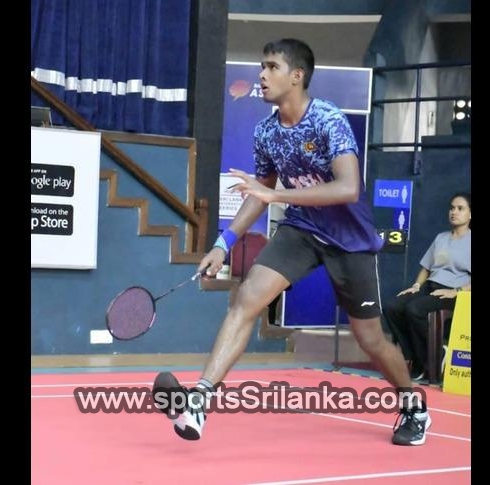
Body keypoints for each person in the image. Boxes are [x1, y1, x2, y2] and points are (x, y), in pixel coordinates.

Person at [152, 38, 430, 446]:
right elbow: (260, 188)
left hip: (349, 240)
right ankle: (200, 400)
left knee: (371, 339)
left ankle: (412, 404)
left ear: (296, 76)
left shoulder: (328, 120)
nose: (261, 76)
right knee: (246, 298)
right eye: (260, 67)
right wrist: (223, 243)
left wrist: (277, 197)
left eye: (270, 67)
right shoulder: (265, 131)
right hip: (301, 230)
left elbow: (349, 187)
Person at [383, 193, 471, 382]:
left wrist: (456, 291)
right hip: (431, 288)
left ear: (470, 215)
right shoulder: (441, 237)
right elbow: (426, 267)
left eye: (460, 208)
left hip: (456, 293)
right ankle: (414, 357)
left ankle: (432, 359)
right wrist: (416, 285)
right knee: (392, 306)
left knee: (414, 309)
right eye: (452, 208)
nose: (454, 212)